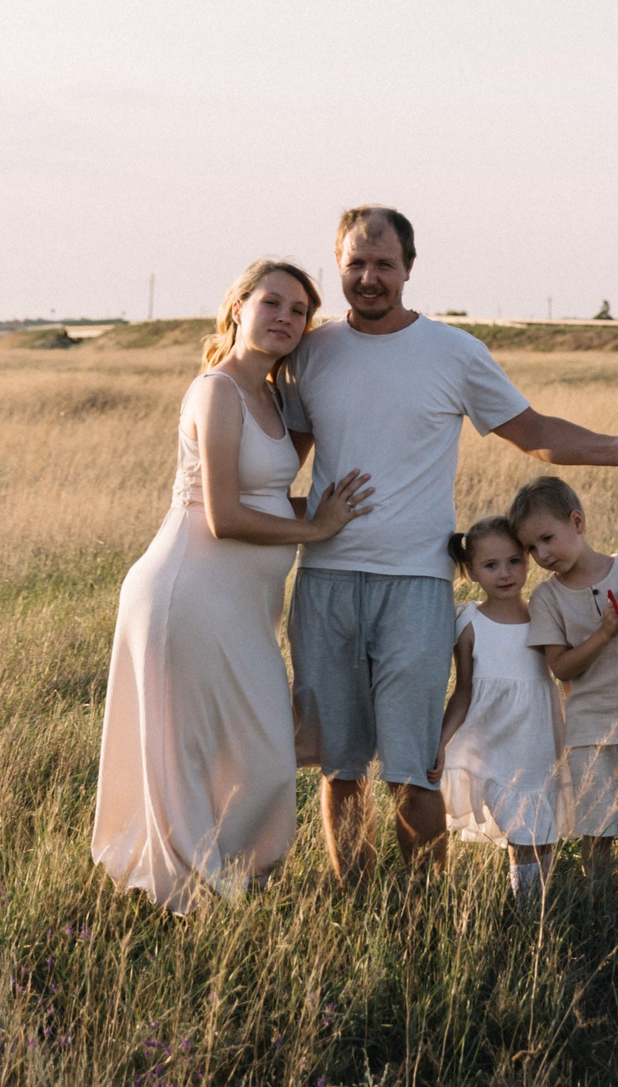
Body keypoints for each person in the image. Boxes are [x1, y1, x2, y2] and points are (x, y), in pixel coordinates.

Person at [278, 204, 618, 878]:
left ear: (408, 268)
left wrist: (615, 449)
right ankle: (354, 902)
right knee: (341, 766)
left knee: (414, 765)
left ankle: (419, 914)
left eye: (384, 265)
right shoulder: (311, 352)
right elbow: (278, 464)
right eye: (355, 265)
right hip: (326, 581)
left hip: (418, 587)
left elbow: (532, 429)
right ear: (336, 267)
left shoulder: (453, 352)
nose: (369, 278)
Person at [92, 259, 375, 911]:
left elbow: (269, 497)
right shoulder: (215, 391)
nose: (285, 318)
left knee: (264, 756)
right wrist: (319, 526)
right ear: (238, 307)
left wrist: (332, 512)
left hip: (242, 608)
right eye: (272, 302)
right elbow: (222, 515)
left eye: (299, 311)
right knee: (196, 752)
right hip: (185, 595)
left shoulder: (273, 400)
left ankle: (222, 881)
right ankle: (195, 896)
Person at [511, 475, 618, 914]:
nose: (543, 554)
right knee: (598, 830)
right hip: (590, 730)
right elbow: (561, 666)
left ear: (577, 522)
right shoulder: (547, 599)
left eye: (548, 538)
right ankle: (599, 910)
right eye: (532, 548)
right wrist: (605, 632)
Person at [432, 515, 565, 907]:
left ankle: (540, 902)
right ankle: (527, 910)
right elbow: (464, 691)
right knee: (521, 830)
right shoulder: (469, 621)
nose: (504, 574)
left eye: (514, 561)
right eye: (491, 566)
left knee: (541, 829)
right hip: (491, 740)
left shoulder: (543, 610)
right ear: (472, 571)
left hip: (537, 738)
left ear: (528, 560)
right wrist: (442, 741)